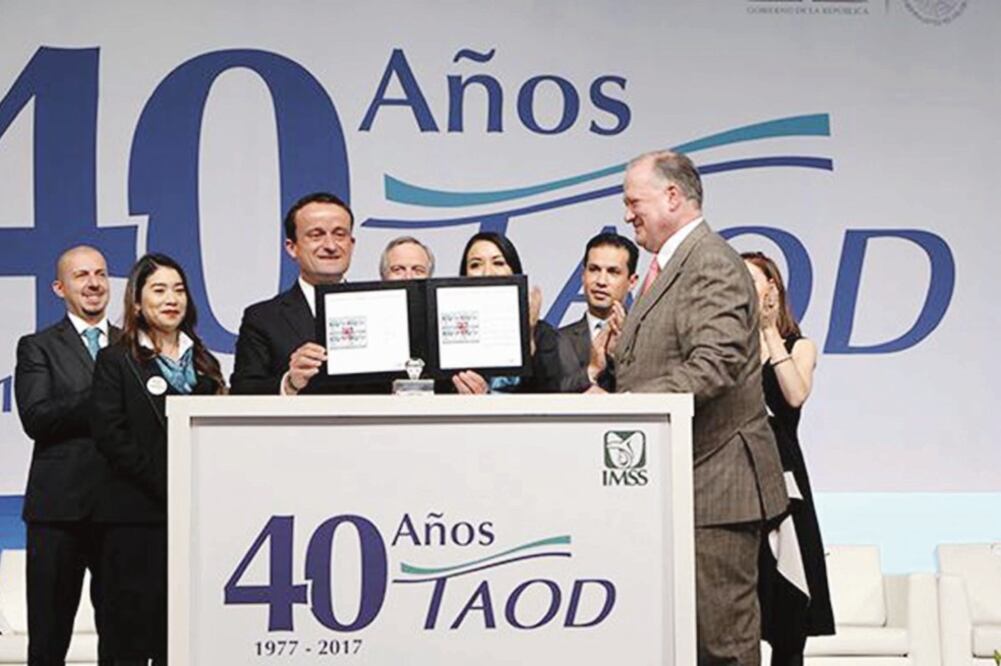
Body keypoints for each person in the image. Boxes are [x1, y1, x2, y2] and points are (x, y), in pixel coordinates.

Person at [609, 151, 787, 665]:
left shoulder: (710, 262)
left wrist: (623, 407)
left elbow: (715, 365)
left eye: (632, 201)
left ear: (672, 196)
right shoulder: (668, 265)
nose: (627, 214)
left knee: (722, 645)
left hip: (716, 486)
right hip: (679, 480)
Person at [90, 253, 225, 665]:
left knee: (181, 637)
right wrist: (171, 485)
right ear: (136, 302)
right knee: (127, 638)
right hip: (133, 520)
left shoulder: (205, 362)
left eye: (179, 290)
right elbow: (113, 437)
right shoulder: (116, 360)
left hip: (192, 525)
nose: (172, 299)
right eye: (159, 290)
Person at [14, 245, 116, 666]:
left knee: (122, 635)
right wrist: (110, 393)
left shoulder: (136, 344)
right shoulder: (37, 346)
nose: (93, 284)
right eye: (81, 276)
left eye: (100, 274)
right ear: (59, 287)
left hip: (122, 512)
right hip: (59, 512)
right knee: (49, 638)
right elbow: (38, 418)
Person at [742, 251, 835, 665]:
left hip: (784, 482)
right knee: (741, 612)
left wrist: (768, 333)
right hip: (737, 483)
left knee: (789, 613)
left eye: (750, 279)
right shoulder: (728, 349)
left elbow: (794, 395)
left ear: (771, 288)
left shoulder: (800, 346)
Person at [231, 192, 356, 395]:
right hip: (298, 426)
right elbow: (243, 390)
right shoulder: (263, 318)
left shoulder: (382, 310)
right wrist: (289, 383)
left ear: (352, 244)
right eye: (316, 235)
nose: (331, 246)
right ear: (292, 247)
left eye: (340, 234)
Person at [451, 231, 559, 394]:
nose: (488, 273)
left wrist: (527, 334)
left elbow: (550, 397)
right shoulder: (451, 336)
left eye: (498, 263)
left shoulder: (542, 334)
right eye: (475, 265)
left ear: (514, 272)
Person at [555, 232, 637, 393]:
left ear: (632, 282)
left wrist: (616, 357)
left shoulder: (646, 338)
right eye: (594, 269)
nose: (601, 281)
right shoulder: (556, 340)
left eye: (613, 272)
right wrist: (591, 371)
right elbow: (546, 397)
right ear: (583, 276)